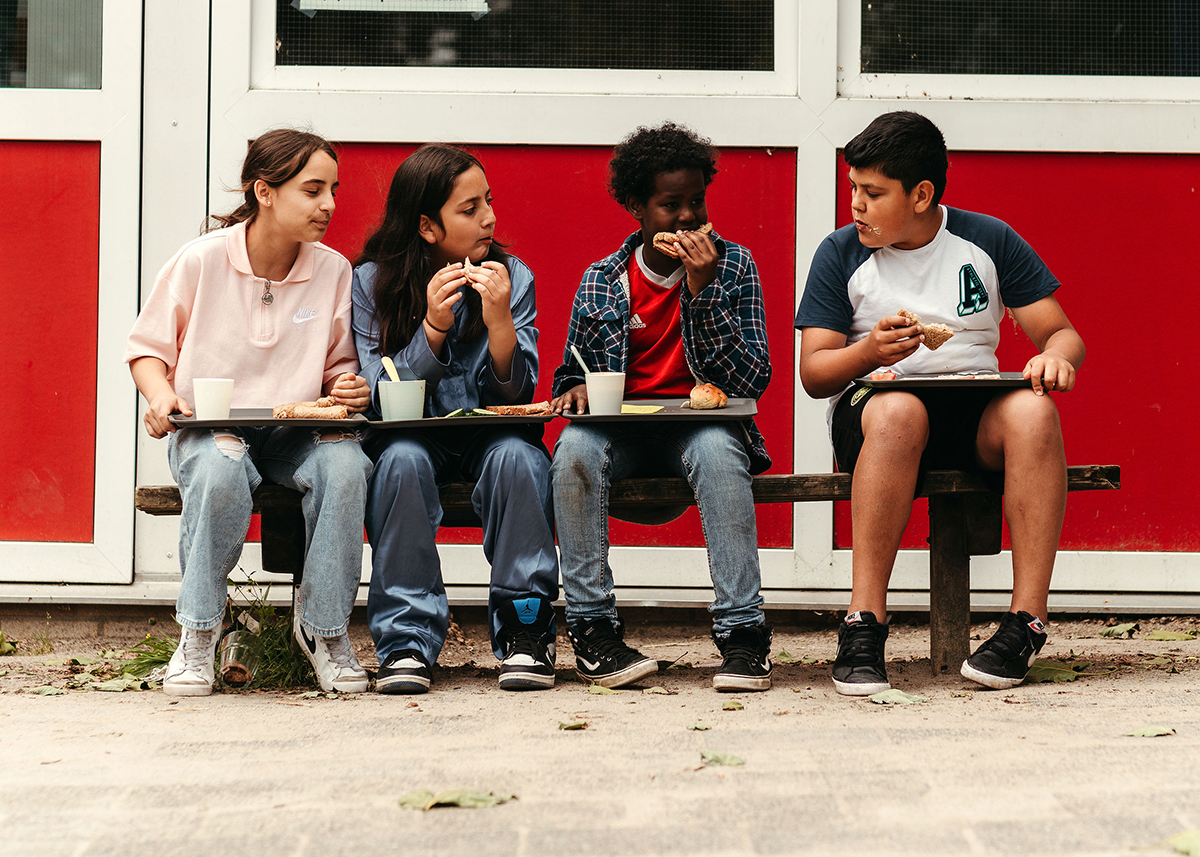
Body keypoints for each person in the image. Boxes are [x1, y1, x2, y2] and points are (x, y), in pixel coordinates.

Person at [795, 111, 1086, 695]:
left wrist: (1056, 359)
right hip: (880, 416)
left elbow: (1062, 333)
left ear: (921, 194)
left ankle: (1025, 622)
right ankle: (863, 623)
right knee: (903, 410)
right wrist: (869, 353)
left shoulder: (987, 240)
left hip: (973, 412)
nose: (854, 204)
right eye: (853, 188)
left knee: (1035, 409)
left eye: (872, 193)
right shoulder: (842, 252)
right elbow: (816, 373)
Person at [125, 128, 374, 697]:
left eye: (333, 190)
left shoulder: (335, 270)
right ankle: (200, 631)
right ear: (265, 191)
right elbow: (146, 350)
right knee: (218, 468)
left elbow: (338, 365)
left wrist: (347, 388)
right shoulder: (200, 261)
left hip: (298, 431)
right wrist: (161, 398)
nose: (330, 205)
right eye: (313, 191)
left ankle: (324, 630)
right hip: (213, 428)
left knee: (348, 467)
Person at [550, 122, 774, 692]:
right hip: (619, 431)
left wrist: (703, 292)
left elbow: (753, 379)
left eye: (696, 201)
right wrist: (574, 387)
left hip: (696, 428)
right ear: (636, 207)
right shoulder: (601, 280)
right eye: (669, 205)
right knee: (572, 447)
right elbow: (569, 371)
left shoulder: (734, 266)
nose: (686, 217)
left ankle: (744, 634)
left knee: (723, 451)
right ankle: (593, 630)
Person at [351, 144, 559, 695]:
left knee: (519, 457)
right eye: (469, 209)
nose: (489, 217)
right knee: (398, 463)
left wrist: (498, 324)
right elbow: (377, 395)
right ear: (426, 225)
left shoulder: (513, 276)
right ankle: (405, 643)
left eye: (488, 201)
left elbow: (518, 392)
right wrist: (434, 330)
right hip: (412, 437)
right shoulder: (373, 282)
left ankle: (526, 631)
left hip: (492, 434)